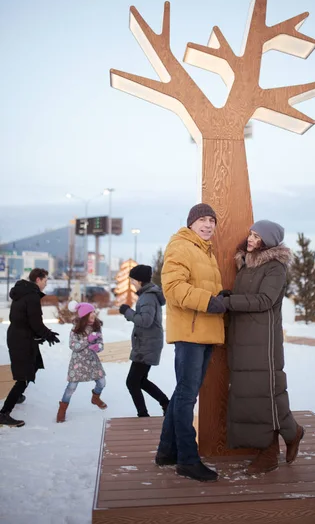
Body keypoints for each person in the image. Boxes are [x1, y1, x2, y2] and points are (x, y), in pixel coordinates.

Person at [223, 220, 304, 473]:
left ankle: (269, 453)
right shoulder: (246, 264)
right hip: (242, 338)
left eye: (257, 236)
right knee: (257, 394)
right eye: (251, 234)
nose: (250, 239)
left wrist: (228, 302)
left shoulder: (274, 267)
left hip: (263, 341)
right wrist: (227, 297)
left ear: (268, 242)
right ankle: (292, 433)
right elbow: (245, 297)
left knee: (263, 395)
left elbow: (265, 300)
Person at [155, 203, 226, 482]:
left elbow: (201, 285)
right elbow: (172, 289)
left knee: (183, 394)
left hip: (204, 331)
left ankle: (166, 451)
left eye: (212, 220)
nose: (208, 225)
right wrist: (209, 301)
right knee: (186, 396)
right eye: (203, 220)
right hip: (190, 333)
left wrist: (221, 295)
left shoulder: (203, 251)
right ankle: (187, 459)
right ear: (191, 223)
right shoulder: (181, 246)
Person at [0, 268, 60, 428]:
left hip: (19, 336)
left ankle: (17, 396)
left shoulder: (23, 292)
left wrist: (40, 335)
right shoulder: (31, 295)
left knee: (32, 367)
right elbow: (35, 322)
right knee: (23, 377)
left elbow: (24, 319)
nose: (46, 283)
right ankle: (4, 413)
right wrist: (48, 334)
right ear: (38, 279)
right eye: (45, 280)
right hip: (22, 340)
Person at [119, 264, 169, 418]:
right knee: (139, 380)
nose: (132, 283)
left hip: (147, 345)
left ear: (139, 280)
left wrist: (127, 311)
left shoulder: (147, 297)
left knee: (132, 381)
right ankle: (166, 404)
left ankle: (144, 414)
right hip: (148, 343)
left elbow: (145, 321)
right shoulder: (148, 294)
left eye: (133, 280)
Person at [56, 301, 107, 423]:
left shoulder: (97, 327)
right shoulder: (75, 329)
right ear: (85, 315)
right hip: (78, 362)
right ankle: (62, 409)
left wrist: (98, 347)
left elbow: (101, 344)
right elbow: (73, 346)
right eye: (91, 312)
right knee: (71, 387)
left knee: (102, 382)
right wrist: (87, 340)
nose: (94, 314)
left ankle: (95, 398)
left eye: (94, 311)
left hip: (92, 361)